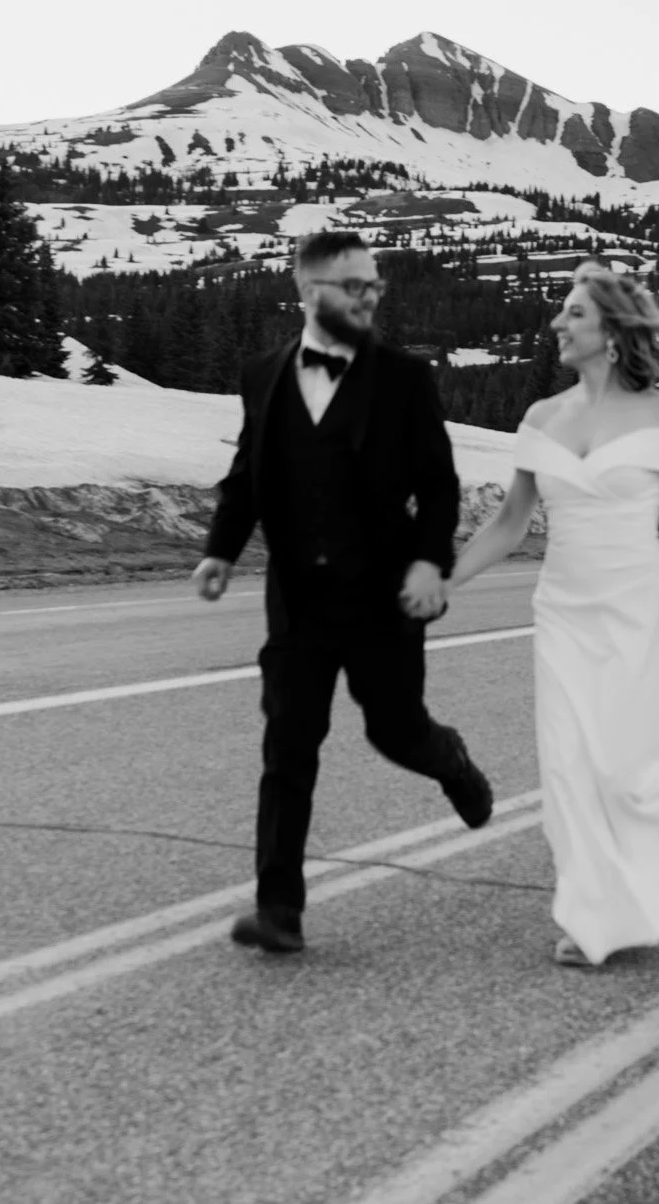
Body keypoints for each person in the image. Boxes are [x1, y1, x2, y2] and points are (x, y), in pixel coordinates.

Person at [449, 261, 659, 968]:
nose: (557, 324)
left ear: (610, 331)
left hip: (636, 612)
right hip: (564, 615)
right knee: (571, 769)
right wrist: (441, 582)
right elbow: (511, 523)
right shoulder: (541, 416)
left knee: (624, 770)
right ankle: (595, 919)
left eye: (572, 313)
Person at [195, 230, 494, 956]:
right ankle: (279, 910)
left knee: (394, 731)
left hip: (384, 598)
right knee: (287, 748)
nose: (369, 296)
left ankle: (448, 757)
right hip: (298, 602)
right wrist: (220, 551)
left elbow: (439, 486)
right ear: (308, 293)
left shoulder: (403, 378)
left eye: (374, 285)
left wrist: (431, 563)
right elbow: (247, 474)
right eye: (353, 286)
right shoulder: (262, 373)